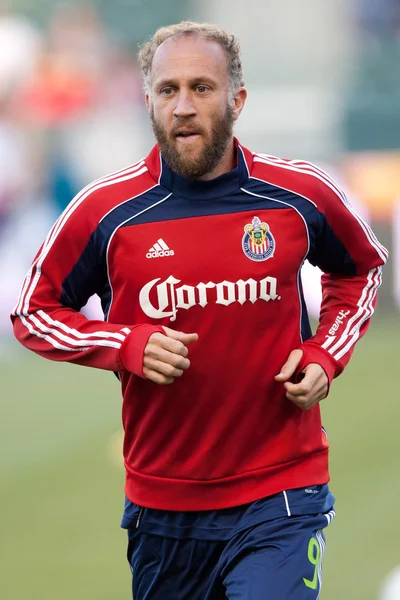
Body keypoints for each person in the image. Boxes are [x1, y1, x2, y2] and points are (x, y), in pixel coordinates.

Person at [11, 20, 387, 600]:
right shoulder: (105, 211)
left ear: (236, 99)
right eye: (168, 90)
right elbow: (32, 311)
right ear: (148, 101)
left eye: (201, 88)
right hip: (164, 509)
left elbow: (360, 267)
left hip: (282, 494)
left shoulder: (298, 193)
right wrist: (124, 344)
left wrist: (325, 355)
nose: (183, 106)